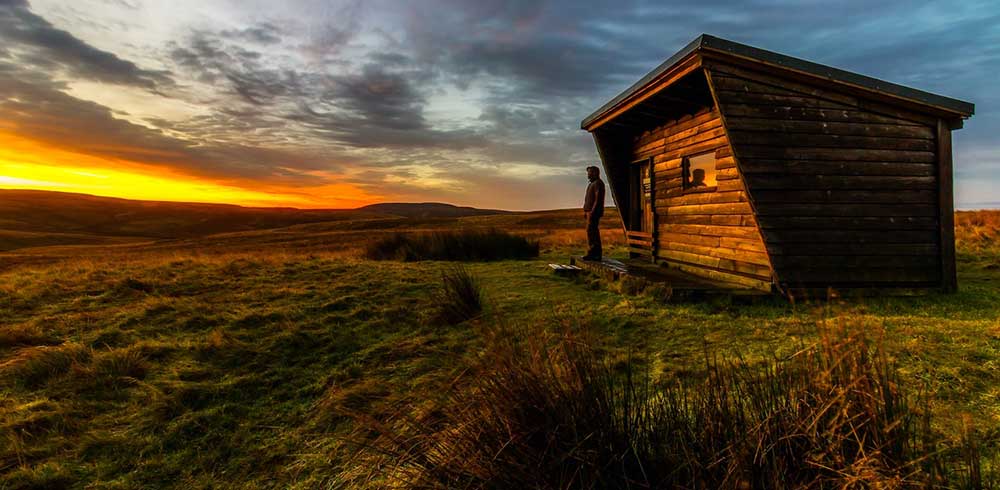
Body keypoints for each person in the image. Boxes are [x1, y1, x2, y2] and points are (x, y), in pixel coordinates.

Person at [583, 165, 605, 261]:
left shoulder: (598, 183)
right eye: (588, 173)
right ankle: (592, 252)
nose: (588, 174)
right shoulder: (592, 183)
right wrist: (586, 211)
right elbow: (588, 199)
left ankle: (595, 254)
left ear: (595, 173)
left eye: (590, 172)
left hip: (594, 212)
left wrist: (593, 211)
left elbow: (598, 199)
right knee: (590, 232)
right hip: (589, 212)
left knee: (593, 232)